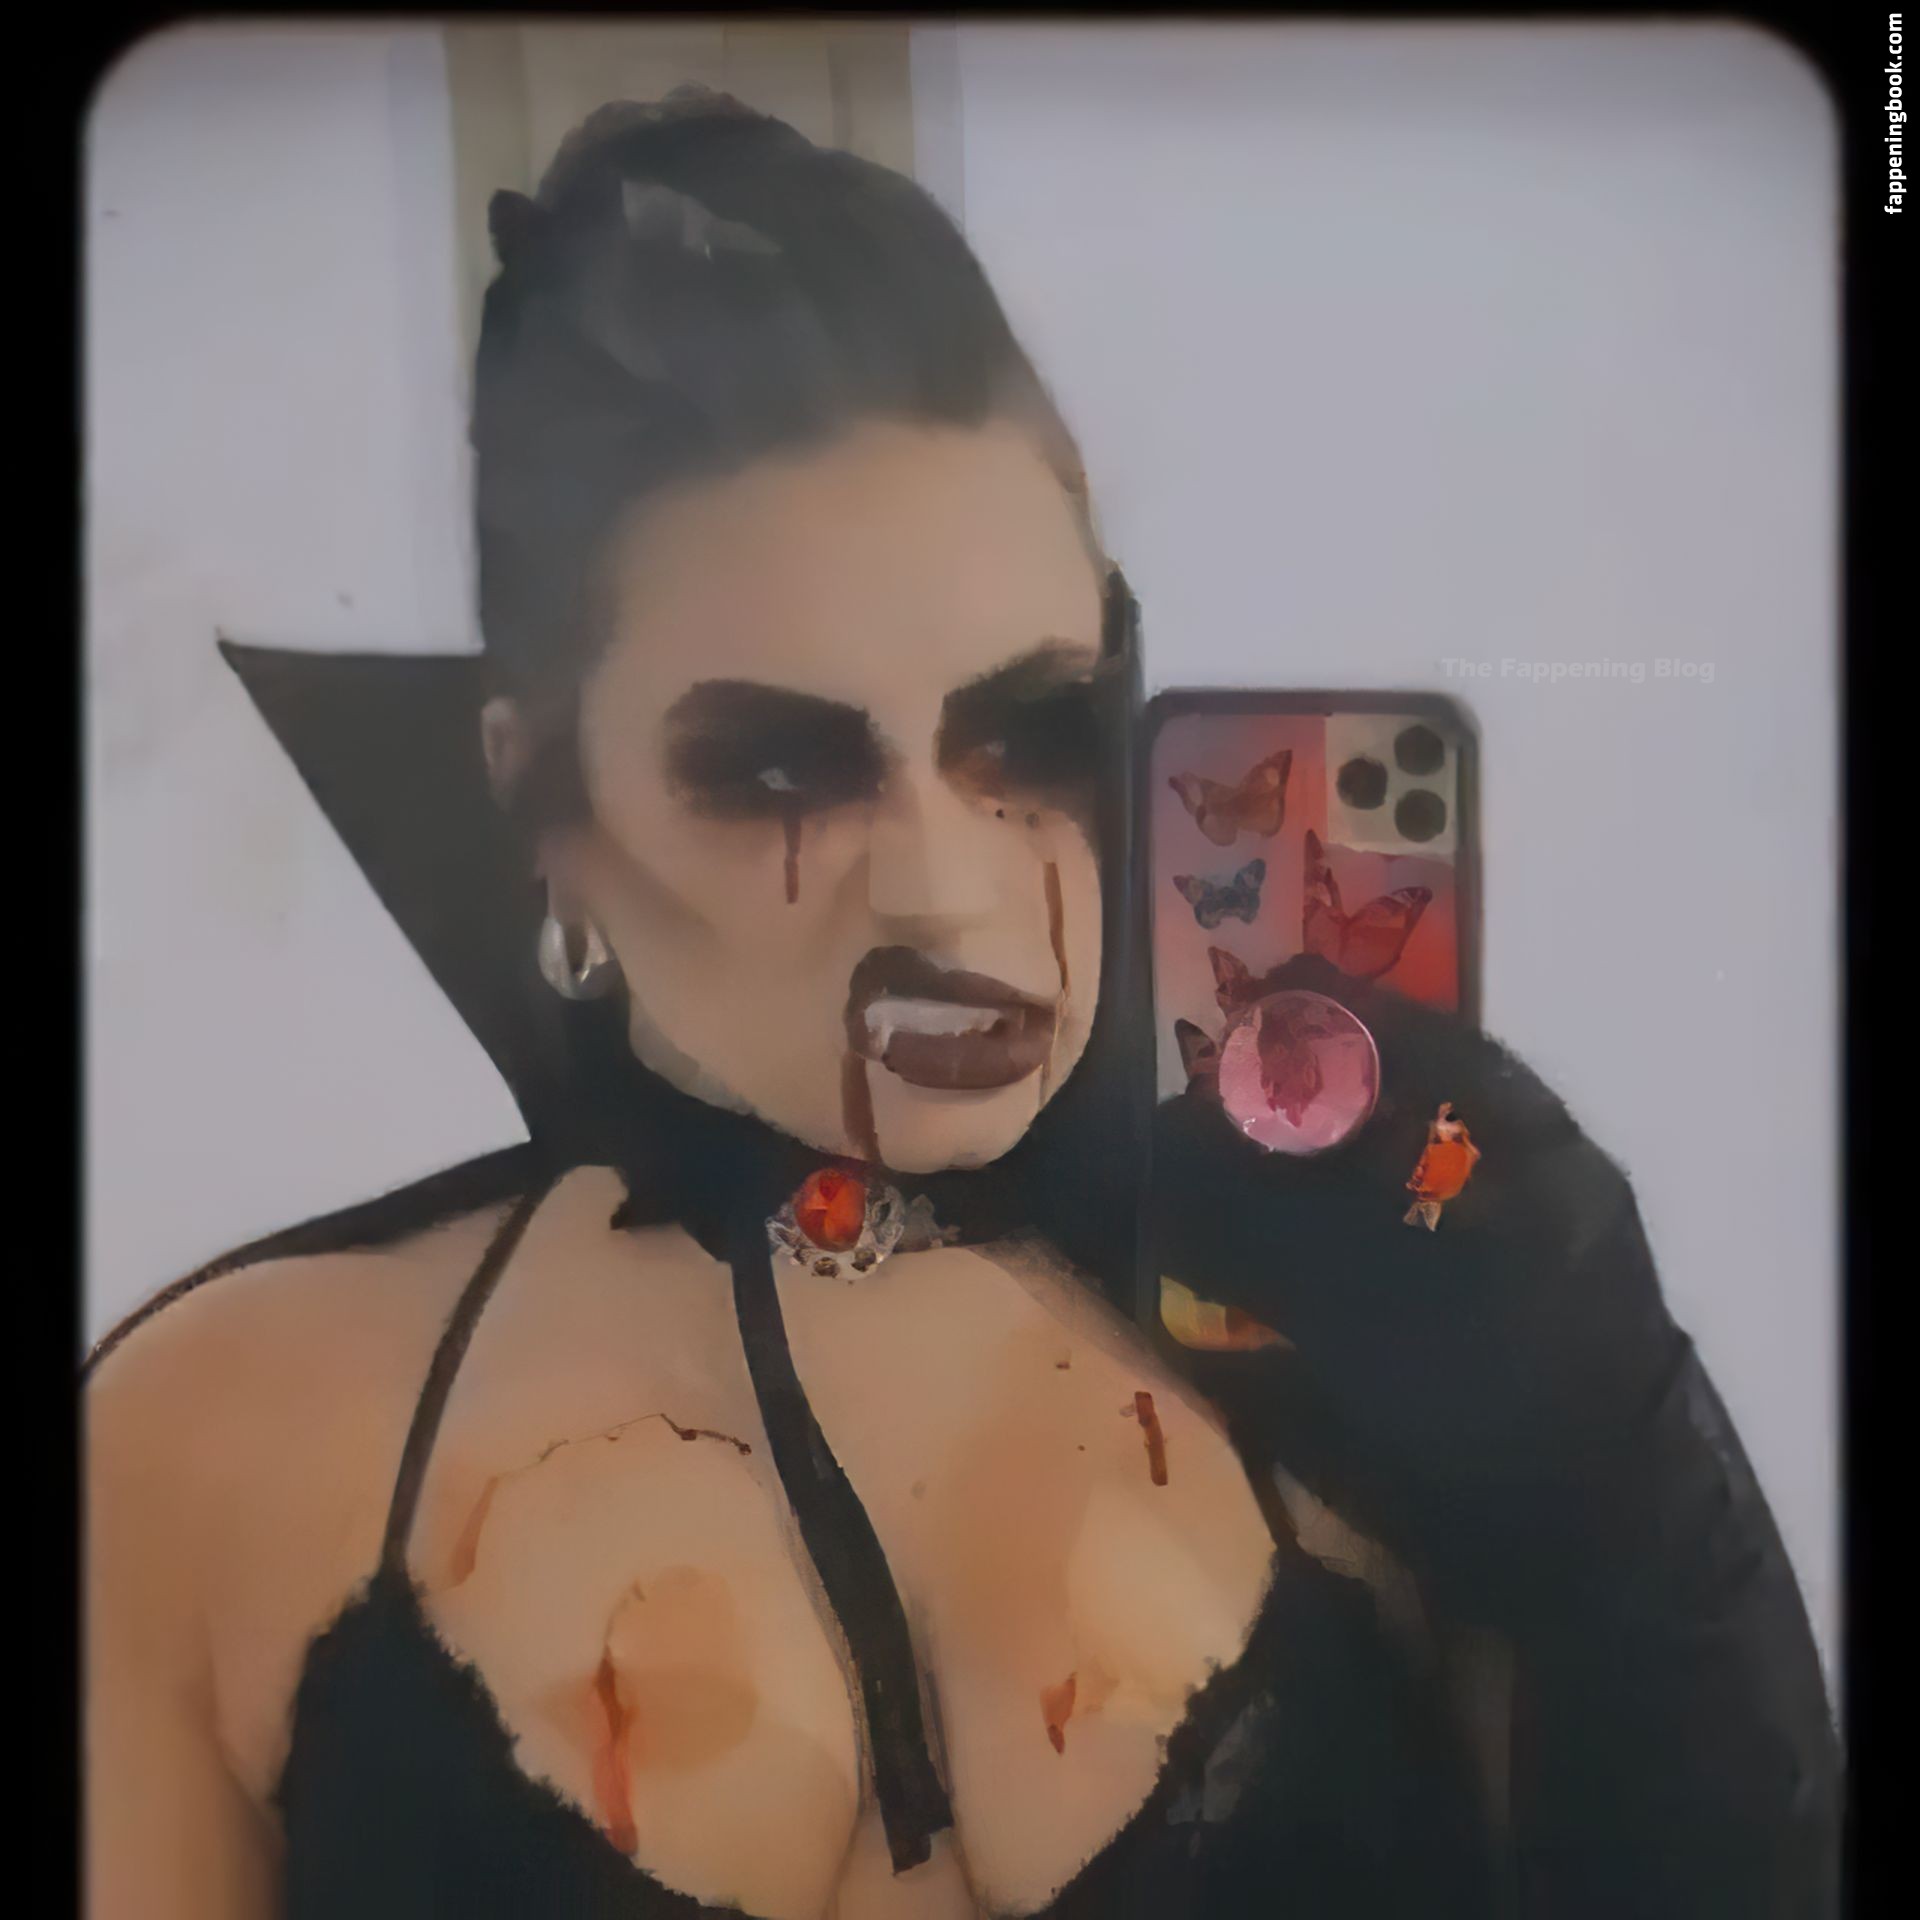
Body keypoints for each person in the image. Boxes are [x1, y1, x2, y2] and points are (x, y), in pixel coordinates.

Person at [84, 88, 1840, 1920]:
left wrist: (1630, 1481)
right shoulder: (213, 1450)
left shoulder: (1356, 1328)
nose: (941, 879)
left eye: (1029, 728)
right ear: (547, 804)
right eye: (780, 766)